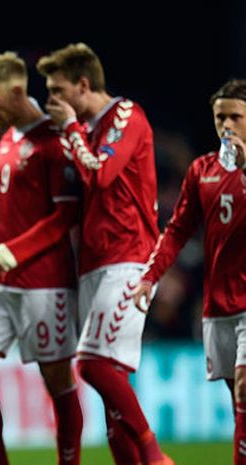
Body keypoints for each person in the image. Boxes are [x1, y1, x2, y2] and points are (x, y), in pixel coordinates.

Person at [37, 43, 172, 465]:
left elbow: (103, 173)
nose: (52, 101)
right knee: (114, 401)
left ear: (82, 84)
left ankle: (153, 452)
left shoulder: (124, 115)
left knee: (93, 365)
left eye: (57, 90)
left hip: (129, 257)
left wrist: (72, 129)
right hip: (94, 264)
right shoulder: (89, 130)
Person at [0, 51, 82, 465]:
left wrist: (17, 249)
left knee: (58, 383)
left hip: (44, 283)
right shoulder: (8, 138)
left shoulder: (55, 140)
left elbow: (66, 213)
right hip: (0, 283)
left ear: (16, 91)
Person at [133, 79, 246, 465]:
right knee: (237, 403)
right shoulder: (203, 170)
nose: (227, 124)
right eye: (220, 117)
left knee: (244, 390)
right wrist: (151, 275)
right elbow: (178, 230)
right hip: (219, 304)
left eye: (236, 116)